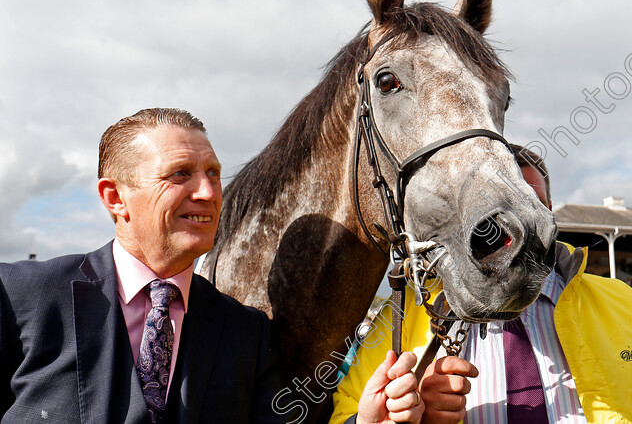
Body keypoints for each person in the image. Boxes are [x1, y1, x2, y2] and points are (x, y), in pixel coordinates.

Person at [0, 108, 423, 424]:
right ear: (114, 197)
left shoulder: (247, 333)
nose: (207, 191)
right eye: (180, 173)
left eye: (214, 173)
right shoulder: (20, 297)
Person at [330, 144, 632, 423]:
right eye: (492, 204)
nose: (512, 221)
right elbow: (349, 414)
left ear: (549, 211)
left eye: (527, 201)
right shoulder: (402, 317)